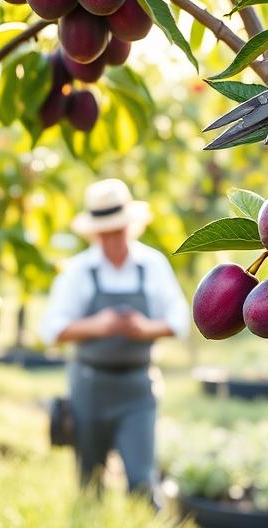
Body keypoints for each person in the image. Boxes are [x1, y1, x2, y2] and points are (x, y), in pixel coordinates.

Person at [40, 178, 189, 498]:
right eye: (105, 233)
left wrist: (147, 329)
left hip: (139, 386)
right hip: (90, 387)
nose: (112, 240)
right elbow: (52, 329)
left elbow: (179, 319)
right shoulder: (79, 271)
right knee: (89, 479)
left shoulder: (152, 265)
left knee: (141, 479)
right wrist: (99, 326)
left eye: (117, 231)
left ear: (131, 227)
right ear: (95, 233)